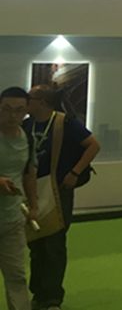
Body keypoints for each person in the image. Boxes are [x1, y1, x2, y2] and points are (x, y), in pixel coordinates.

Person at [24, 85, 101, 310]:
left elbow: (93, 145)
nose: (26, 102)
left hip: (58, 190)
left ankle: (52, 298)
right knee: (36, 243)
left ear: (42, 101)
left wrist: (75, 173)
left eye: (30, 98)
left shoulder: (64, 122)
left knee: (54, 244)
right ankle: (39, 293)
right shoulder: (27, 125)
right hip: (33, 190)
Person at [1, 87, 38, 310]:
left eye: (19, 110)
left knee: (16, 277)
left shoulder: (27, 139)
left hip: (12, 219)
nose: (12, 115)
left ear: (26, 111)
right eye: (6, 109)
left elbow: (29, 174)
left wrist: (33, 206)